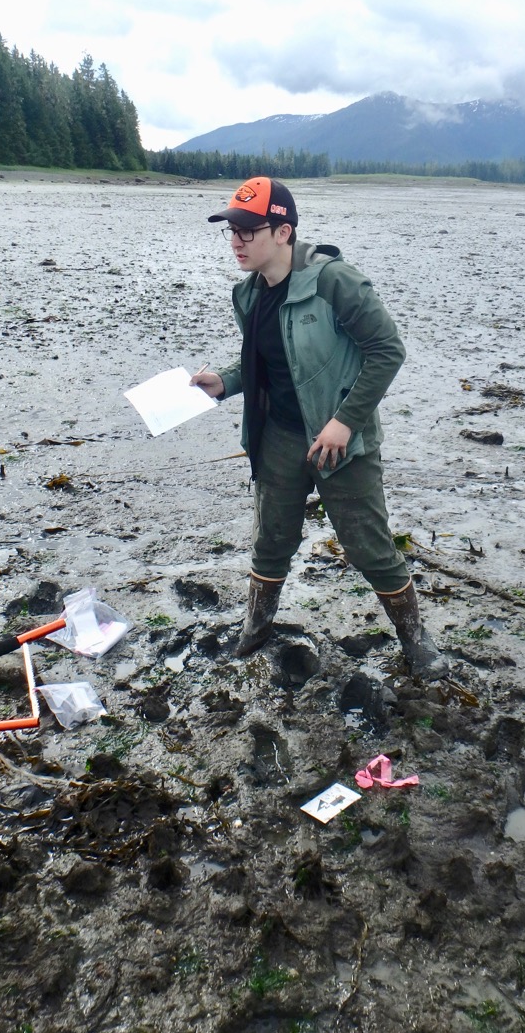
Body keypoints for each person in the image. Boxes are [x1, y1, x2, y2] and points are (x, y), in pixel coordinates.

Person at [191, 176, 447, 681]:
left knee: (368, 547)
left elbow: (387, 351)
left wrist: (344, 422)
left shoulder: (335, 282)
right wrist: (225, 381)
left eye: (249, 230)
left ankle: (416, 641)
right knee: (271, 540)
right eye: (231, 231)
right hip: (279, 438)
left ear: (283, 231)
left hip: (340, 443)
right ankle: (257, 627)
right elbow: (268, 363)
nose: (237, 241)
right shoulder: (248, 295)